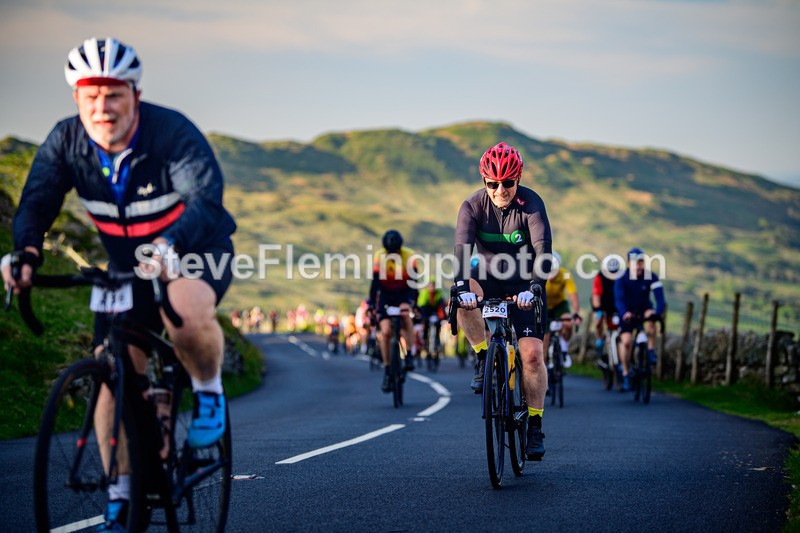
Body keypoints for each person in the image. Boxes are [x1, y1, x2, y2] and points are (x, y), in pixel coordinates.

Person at [1, 37, 236, 531]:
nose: (103, 107)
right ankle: (122, 493)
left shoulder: (169, 131)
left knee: (186, 307)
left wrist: (171, 245)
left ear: (135, 93)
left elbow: (205, 198)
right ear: (77, 99)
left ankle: (209, 392)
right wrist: (25, 252)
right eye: (91, 96)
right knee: (113, 373)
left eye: (114, 95)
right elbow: (38, 201)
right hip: (126, 265)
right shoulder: (66, 141)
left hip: (195, 247)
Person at [453, 142, 552, 461]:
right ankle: (484, 355)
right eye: (492, 184)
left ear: (518, 179)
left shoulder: (532, 204)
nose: (500, 190)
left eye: (507, 183)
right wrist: (459, 286)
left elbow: (543, 253)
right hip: (486, 276)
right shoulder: (471, 206)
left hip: (524, 281)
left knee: (533, 356)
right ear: (484, 182)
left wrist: (535, 287)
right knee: (460, 296)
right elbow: (461, 252)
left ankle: (534, 423)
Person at [369, 229, 420, 392]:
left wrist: (411, 303)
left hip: (404, 293)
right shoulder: (379, 256)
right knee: (385, 332)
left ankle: (410, 355)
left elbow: (414, 284)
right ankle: (387, 370)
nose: (393, 254)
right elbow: (375, 283)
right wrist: (371, 305)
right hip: (385, 295)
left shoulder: (410, 256)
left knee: (406, 318)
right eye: (390, 252)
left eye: (396, 251)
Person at [614, 247, 666, 391]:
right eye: (635, 262)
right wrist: (624, 313)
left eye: (641, 262)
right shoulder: (622, 278)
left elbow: (660, 299)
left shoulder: (651, 276)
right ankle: (625, 372)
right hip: (627, 314)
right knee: (626, 342)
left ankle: (650, 351)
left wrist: (658, 312)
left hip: (643, 310)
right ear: (629, 263)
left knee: (651, 317)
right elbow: (619, 299)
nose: (638, 265)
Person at [544, 251, 582, 368]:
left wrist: (576, 313)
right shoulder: (540, 274)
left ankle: (564, 349)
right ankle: (544, 366)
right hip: (544, 306)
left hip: (560, 304)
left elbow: (573, 295)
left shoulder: (565, 274)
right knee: (545, 337)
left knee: (568, 323)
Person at [591, 256, 621, 362]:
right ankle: (599, 340)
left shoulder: (621, 277)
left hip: (615, 305)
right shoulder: (600, 277)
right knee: (598, 321)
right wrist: (598, 310)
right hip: (602, 304)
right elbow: (596, 296)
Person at [416, 276, 447, 359]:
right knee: (426, 325)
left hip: (435, 311)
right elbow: (422, 307)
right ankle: (425, 342)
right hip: (426, 311)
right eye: (430, 286)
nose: (432, 288)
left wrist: (443, 317)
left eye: (433, 286)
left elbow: (442, 306)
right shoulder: (424, 293)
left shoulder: (438, 293)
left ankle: (437, 344)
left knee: (437, 326)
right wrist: (423, 317)